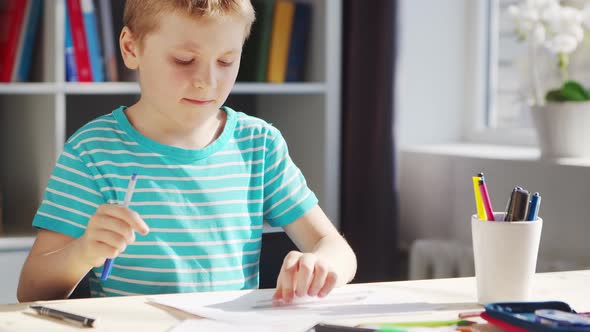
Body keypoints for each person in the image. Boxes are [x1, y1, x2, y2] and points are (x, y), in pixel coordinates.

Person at [17, 0, 356, 303]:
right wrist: (83, 252)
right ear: (131, 47)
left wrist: (322, 264)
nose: (206, 80)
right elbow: (32, 291)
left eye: (226, 60)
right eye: (184, 60)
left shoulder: (259, 145)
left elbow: (336, 248)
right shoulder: (92, 152)